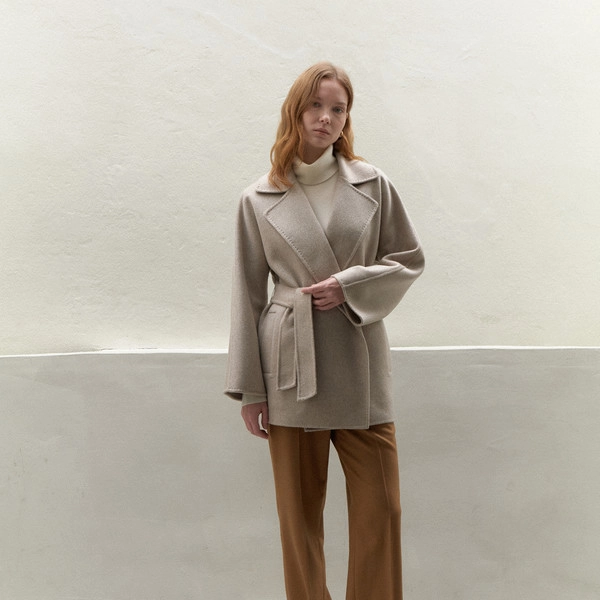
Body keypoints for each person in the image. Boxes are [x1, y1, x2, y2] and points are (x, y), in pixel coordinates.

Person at [225, 61, 424, 600]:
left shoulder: (373, 184)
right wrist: (251, 390)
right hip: (292, 367)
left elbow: (408, 259)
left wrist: (350, 285)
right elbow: (247, 295)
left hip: (360, 362)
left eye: (338, 109)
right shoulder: (257, 198)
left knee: (383, 509)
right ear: (295, 111)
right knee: (299, 520)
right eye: (315, 105)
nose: (326, 117)